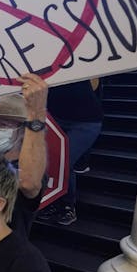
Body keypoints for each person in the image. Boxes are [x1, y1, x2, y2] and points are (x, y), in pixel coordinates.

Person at [0, 74, 49, 238]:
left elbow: (28, 183)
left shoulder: (29, 171)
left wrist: (36, 114)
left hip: (6, 251)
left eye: (3, 125)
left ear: (22, 132)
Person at [41, 80, 103, 226]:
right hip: (56, 118)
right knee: (52, 161)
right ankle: (53, 201)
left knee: (63, 162)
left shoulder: (75, 67)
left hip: (86, 122)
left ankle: (67, 206)